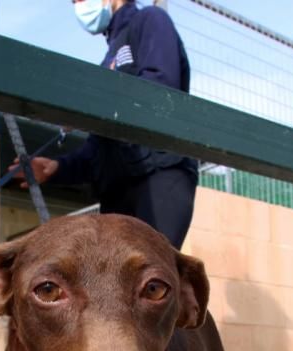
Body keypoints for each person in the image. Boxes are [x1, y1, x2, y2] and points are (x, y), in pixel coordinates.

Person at [17, 0, 197, 250]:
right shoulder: (108, 58)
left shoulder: (151, 20)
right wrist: (57, 168)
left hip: (159, 173)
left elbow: (159, 91)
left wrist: (90, 106)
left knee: (152, 271)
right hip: (117, 187)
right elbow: (99, 149)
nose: (78, 6)